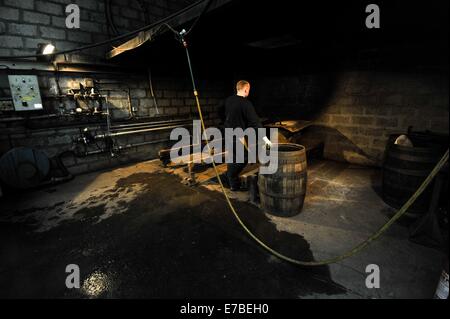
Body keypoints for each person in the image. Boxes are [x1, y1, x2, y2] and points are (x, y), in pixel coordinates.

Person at [221, 80, 272, 191]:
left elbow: (222, 112)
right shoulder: (246, 103)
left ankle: (233, 184)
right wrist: (266, 139)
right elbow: (255, 122)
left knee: (233, 156)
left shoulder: (228, 100)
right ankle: (231, 176)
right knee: (244, 158)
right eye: (249, 89)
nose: (249, 91)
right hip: (236, 135)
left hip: (227, 132)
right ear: (246, 89)